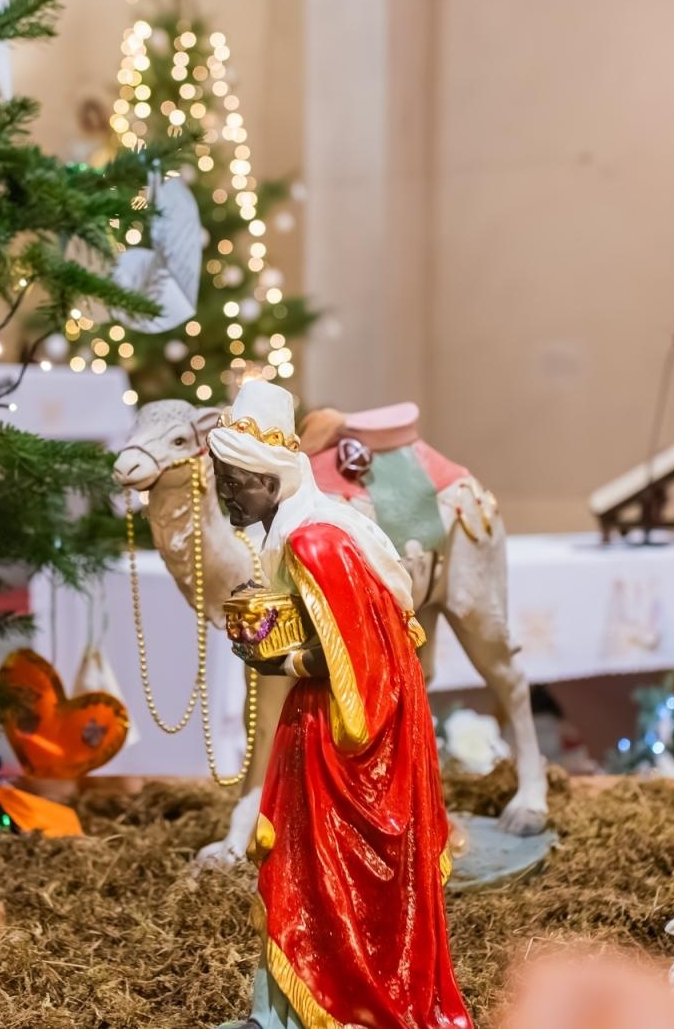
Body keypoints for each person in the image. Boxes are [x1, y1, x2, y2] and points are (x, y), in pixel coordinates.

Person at [208, 381, 471, 1029]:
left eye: (236, 480)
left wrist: (279, 658)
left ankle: (344, 1002)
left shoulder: (315, 543)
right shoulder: (296, 529)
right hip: (325, 714)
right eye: (219, 477)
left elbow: (353, 658)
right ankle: (284, 1010)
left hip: (349, 733)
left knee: (331, 872)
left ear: (270, 481)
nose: (225, 494)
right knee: (303, 863)